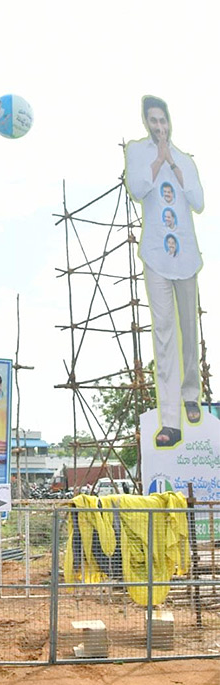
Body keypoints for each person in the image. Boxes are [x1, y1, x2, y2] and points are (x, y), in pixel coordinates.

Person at [125, 95, 204, 448]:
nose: (159, 127)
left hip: (186, 255)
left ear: (170, 122)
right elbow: (138, 189)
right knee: (165, 335)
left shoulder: (185, 159)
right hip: (156, 254)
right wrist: (158, 161)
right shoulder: (137, 151)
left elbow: (199, 201)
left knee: (189, 328)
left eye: (163, 121)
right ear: (146, 122)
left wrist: (174, 162)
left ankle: (191, 393)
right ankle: (169, 420)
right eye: (153, 121)